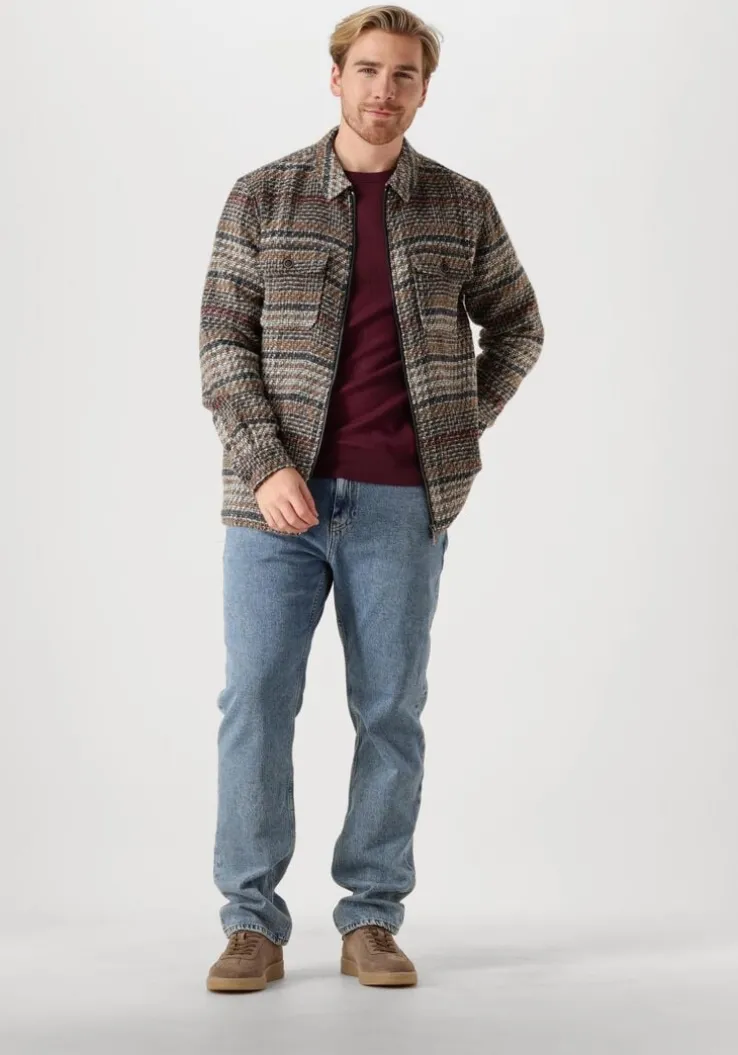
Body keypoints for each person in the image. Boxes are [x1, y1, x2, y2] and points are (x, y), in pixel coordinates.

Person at [200, 4, 544, 992]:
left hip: (402, 502)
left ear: (423, 90)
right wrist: (266, 463)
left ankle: (372, 917)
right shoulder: (262, 195)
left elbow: (518, 325)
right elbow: (222, 341)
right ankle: (250, 922)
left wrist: (456, 429)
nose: (383, 90)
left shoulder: (460, 204)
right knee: (256, 701)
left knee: (390, 710)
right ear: (336, 77)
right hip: (272, 504)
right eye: (367, 70)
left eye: (403, 75)